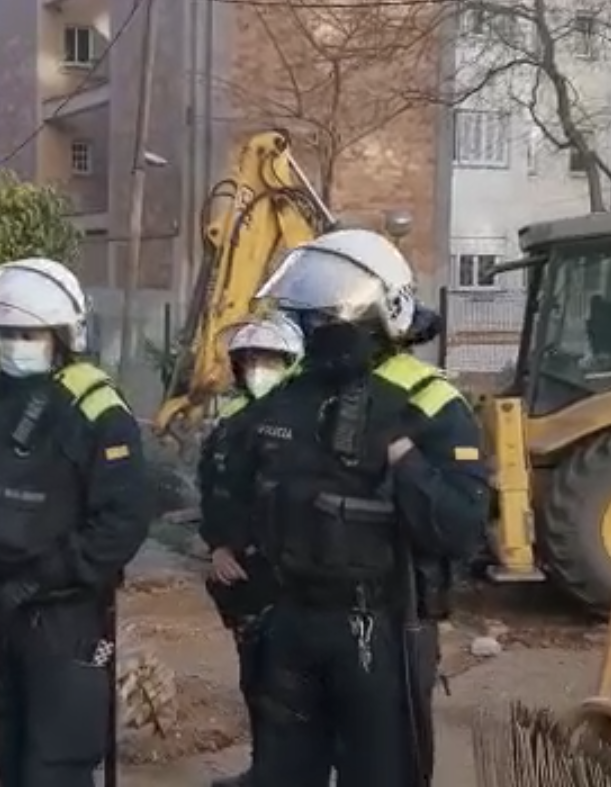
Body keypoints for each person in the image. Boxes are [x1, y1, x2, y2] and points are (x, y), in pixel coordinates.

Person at [216, 229, 491, 787]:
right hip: (287, 621)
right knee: (282, 773)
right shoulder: (288, 395)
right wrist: (222, 541)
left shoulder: (429, 404)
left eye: (322, 321)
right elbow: (234, 473)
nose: (311, 332)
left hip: (380, 627)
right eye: (304, 319)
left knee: (382, 774)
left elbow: (461, 528)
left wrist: (405, 460)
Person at [0, 257, 153, 787]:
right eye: (5, 333)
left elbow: (121, 523)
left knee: (55, 766)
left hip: (63, 617)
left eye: (28, 333)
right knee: (10, 756)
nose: (15, 343)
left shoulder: (98, 408)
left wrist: (41, 579)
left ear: (62, 334)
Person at [198, 312, 304, 787]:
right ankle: (265, 772)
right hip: (238, 579)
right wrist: (219, 547)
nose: (259, 368)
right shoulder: (229, 424)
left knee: (288, 691)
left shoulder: (307, 422)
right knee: (255, 684)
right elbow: (214, 490)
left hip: (287, 580)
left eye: (270, 359)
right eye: (251, 359)